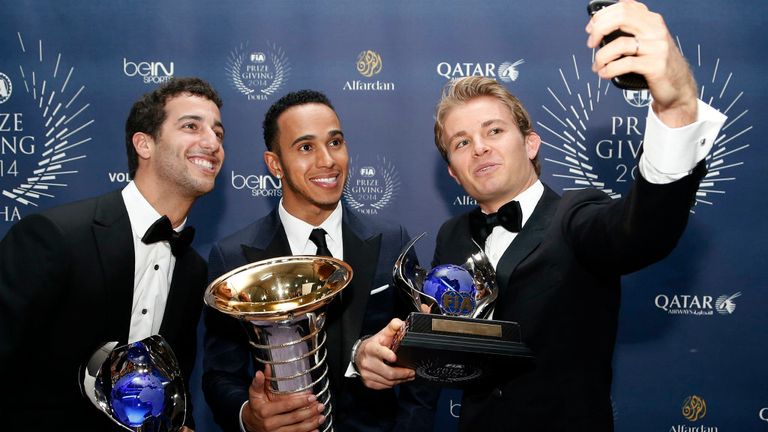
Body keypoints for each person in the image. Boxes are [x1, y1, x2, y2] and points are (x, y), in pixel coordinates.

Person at [429, 1, 726, 430]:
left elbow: (642, 232)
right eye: (461, 142)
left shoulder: (576, 216)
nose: (480, 147)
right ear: (455, 174)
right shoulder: (450, 236)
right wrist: (374, 356)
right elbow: (430, 338)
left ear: (531, 144)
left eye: (494, 130)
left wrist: (677, 103)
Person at [203, 89, 436, 432]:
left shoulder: (392, 241)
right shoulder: (235, 256)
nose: (327, 160)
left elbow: (422, 355)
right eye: (306, 147)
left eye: (336, 142)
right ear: (275, 164)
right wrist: (248, 417)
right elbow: (220, 373)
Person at [0, 77, 225, 431]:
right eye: (191, 126)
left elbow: (172, 385)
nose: (212, 142)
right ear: (144, 144)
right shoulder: (55, 236)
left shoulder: (193, 269)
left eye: (218, 133)